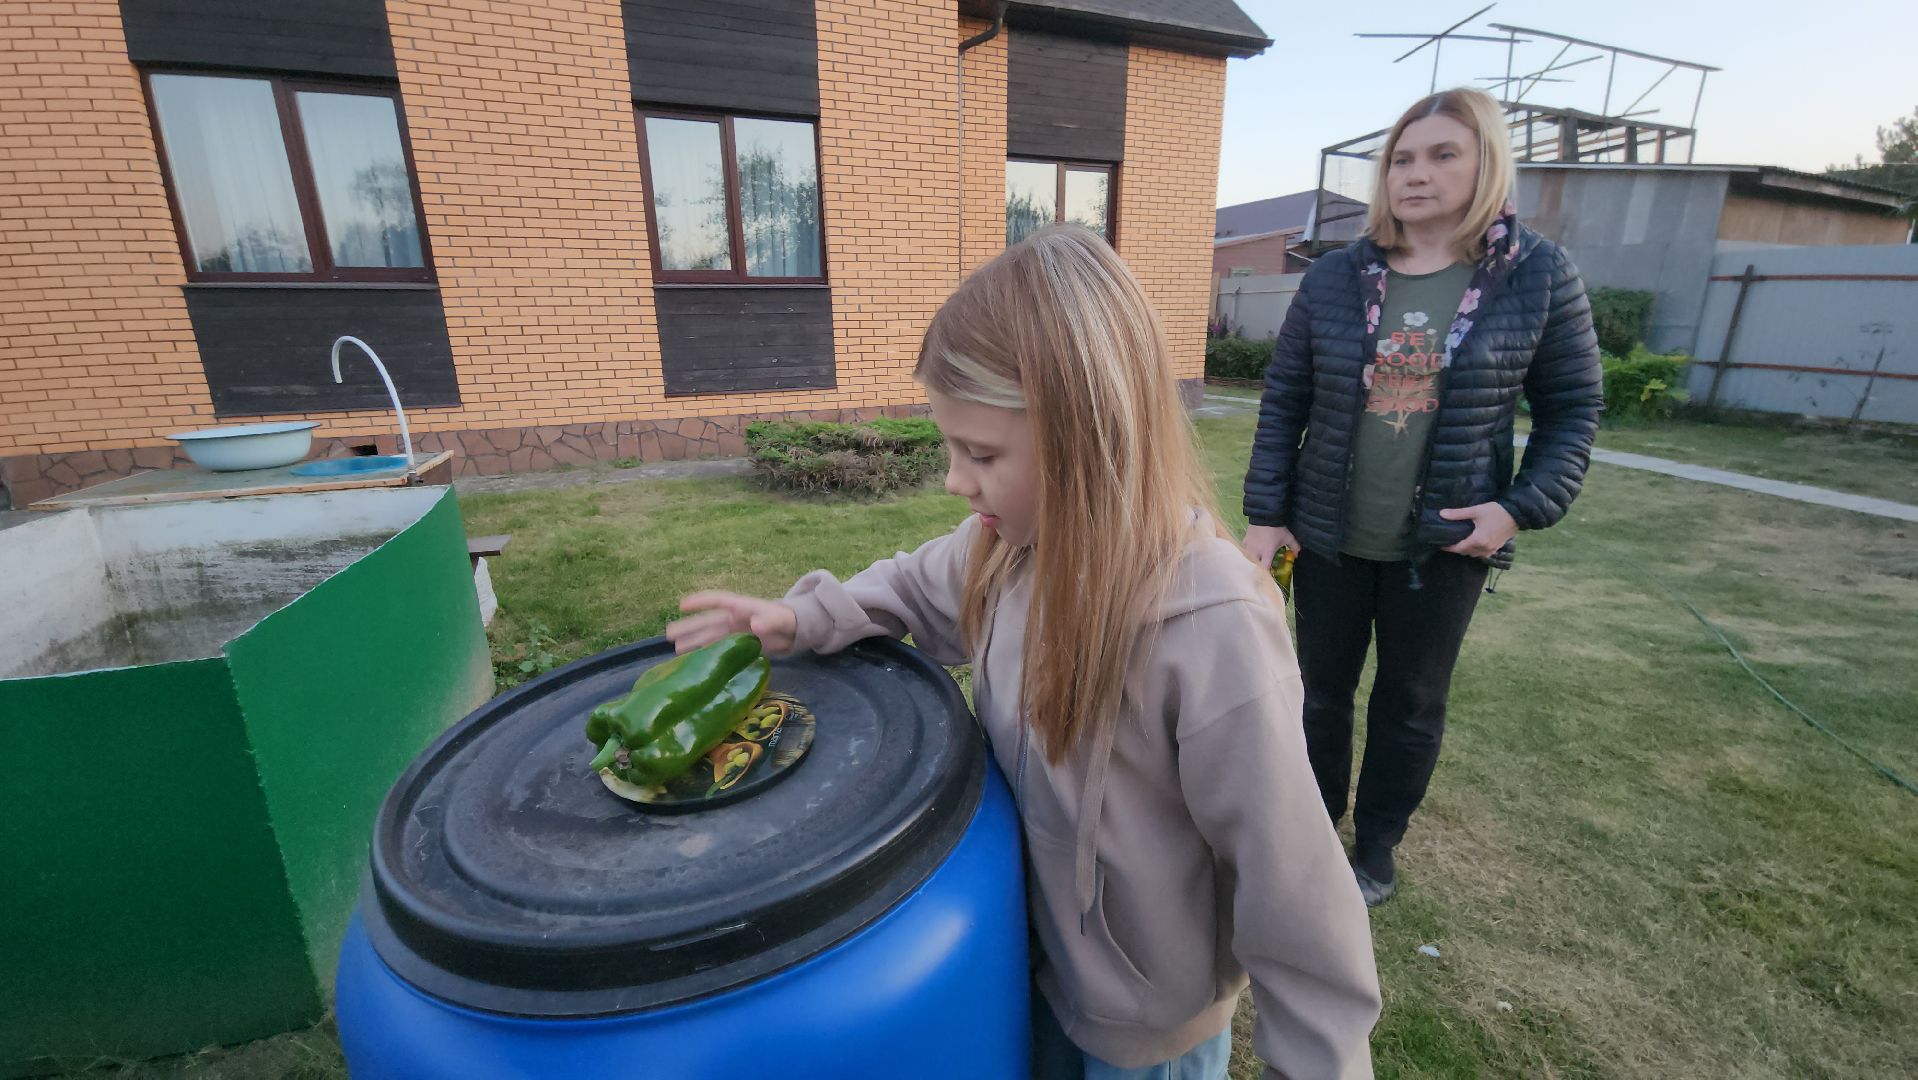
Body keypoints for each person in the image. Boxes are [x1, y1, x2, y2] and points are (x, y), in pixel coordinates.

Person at [670, 227, 1380, 1080]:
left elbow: (1292, 887)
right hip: (1027, 969)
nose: (954, 481)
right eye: (950, 446)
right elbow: (911, 587)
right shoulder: (1005, 548)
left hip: (1146, 1030)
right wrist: (798, 620)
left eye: (981, 453)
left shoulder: (1211, 626)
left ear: (1092, 435)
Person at [1241, 87, 1603, 907]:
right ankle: (1311, 832)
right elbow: (1285, 399)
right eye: (1402, 158)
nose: (1416, 173)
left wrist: (1517, 507)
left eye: (1443, 155)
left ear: (1486, 166)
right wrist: (1267, 516)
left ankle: (1375, 850)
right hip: (1327, 535)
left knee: (1410, 703)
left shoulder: (1537, 276)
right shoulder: (1335, 277)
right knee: (1315, 693)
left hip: (1443, 546)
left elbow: (1575, 410)